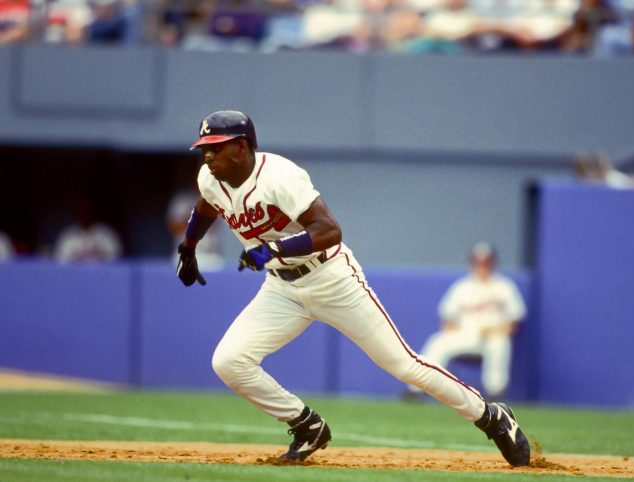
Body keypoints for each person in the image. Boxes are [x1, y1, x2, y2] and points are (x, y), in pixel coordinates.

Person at [175, 110, 530, 467]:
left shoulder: (280, 176)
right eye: (204, 147)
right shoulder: (210, 176)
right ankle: (306, 424)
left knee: (404, 365)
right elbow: (208, 205)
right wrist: (188, 246)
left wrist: (274, 249)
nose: (207, 155)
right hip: (281, 289)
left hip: (332, 279)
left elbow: (329, 230)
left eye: (215, 147)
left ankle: (491, 417)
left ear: (240, 146)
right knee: (229, 362)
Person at [405, 242, 526, 401]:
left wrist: (500, 329)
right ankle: (416, 390)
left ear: (493, 263)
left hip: (493, 334)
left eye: (486, 262)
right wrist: (453, 329)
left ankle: (496, 393)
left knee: (500, 343)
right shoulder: (462, 287)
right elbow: (446, 318)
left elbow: (517, 320)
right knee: (437, 341)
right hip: (466, 334)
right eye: (478, 262)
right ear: (472, 263)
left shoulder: (504, 286)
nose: (482, 266)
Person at [54, 196, 123, 263]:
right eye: (80, 210)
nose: (83, 213)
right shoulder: (67, 237)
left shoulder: (107, 235)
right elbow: (60, 264)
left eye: (86, 209)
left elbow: (116, 261)